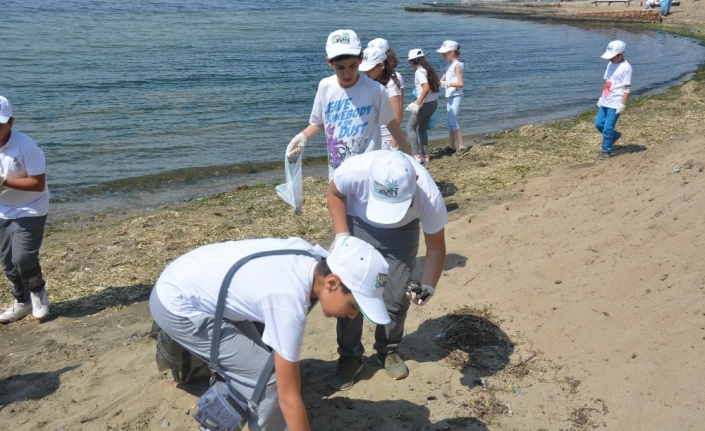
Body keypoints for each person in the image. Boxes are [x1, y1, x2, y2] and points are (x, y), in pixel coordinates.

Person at [150, 236, 391, 431]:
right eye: (353, 306)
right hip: (179, 303)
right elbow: (288, 396)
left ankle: (212, 423)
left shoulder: (313, 259)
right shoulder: (288, 302)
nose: (352, 316)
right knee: (267, 380)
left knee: (258, 370)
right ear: (332, 283)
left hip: (195, 282)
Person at [326, 149, 447, 391]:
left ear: (414, 183)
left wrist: (428, 286)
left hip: (405, 230)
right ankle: (350, 356)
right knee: (351, 293)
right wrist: (342, 235)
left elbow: (436, 248)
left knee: (396, 293)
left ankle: (388, 350)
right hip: (359, 221)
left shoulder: (429, 197)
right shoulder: (355, 171)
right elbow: (334, 192)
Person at [286, 29, 411, 180]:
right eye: (340, 67)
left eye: (353, 66)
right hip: (338, 172)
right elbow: (320, 122)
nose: (347, 74)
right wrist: (303, 137)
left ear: (361, 59)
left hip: (369, 171)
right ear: (329, 62)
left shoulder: (376, 90)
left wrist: (408, 159)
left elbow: (392, 123)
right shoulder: (325, 87)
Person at [0, 96, 50, 324]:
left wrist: (4, 182)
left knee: (23, 257)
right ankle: (22, 301)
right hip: (2, 209)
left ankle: (38, 292)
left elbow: (37, 183)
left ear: (11, 122)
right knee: (7, 261)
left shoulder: (26, 146)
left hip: (31, 207)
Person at [358, 46, 404, 151]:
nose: (366, 73)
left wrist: (394, 144)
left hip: (386, 137)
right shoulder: (370, 81)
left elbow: (397, 117)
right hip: (372, 133)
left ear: (381, 65)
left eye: (369, 69)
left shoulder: (391, 84)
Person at [595, 40, 632, 159]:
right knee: (599, 124)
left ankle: (606, 150)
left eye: (613, 57)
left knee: (607, 128)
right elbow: (607, 81)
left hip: (616, 103)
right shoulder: (610, 64)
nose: (610, 59)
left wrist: (622, 104)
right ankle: (615, 136)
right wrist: (602, 97)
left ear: (621, 54)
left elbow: (627, 88)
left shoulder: (626, 68)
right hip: (606, 100)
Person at [406, 49, 440, 164]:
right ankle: (425, 155)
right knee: (422, 129)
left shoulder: (419, 72)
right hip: (433, 103)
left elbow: (426, 88)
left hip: (425, 104)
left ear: (411, 62)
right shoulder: (428, 69)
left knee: (410, 128)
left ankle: (416, 155)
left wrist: (417, 103)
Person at [437, 40, 470, 158]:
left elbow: (461, 83)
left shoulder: (457, 65)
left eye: (445, 53)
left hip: (456, 95)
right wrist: (438, 82)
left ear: (452, 52)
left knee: (452, 121)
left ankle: (462, 146)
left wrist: (448, 84)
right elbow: (444, 78)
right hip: (450, 95)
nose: (443, 56)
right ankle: (451, 146)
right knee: (448, 121)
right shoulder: (449, 64)